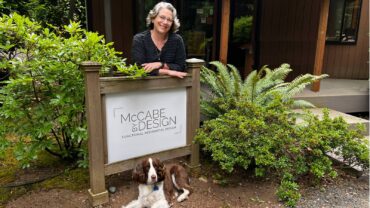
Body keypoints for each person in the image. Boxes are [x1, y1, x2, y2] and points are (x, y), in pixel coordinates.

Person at [131, 2, 187, 78]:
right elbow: (139, 69)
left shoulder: (177, 40)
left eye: (169, 20)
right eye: (162, 17)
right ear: (153, 18)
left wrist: (160, 64)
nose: (165, 22)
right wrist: (168, 72)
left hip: (174, 89)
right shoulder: (140, 39)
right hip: (145, 88)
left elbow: (181, 67)